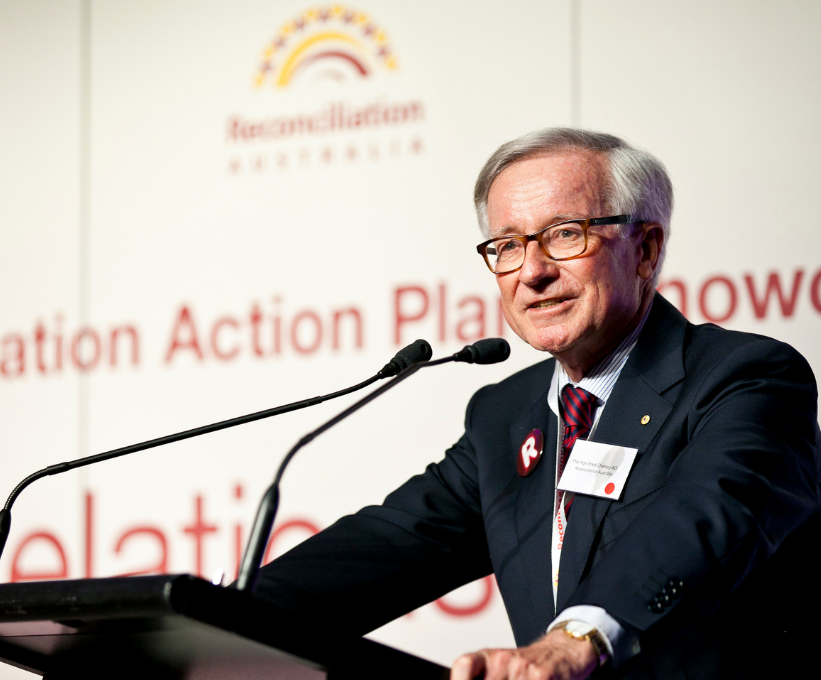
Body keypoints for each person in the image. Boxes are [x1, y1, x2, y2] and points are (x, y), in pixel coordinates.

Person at [254, 128, 821, 679]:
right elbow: (387, 546)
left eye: (565, 234)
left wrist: (575, 639)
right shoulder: (505, 416)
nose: (532, 272)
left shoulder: (746, 379)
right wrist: (203, 610)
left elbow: (704, 517)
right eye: (507, 246)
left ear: (646, 250)